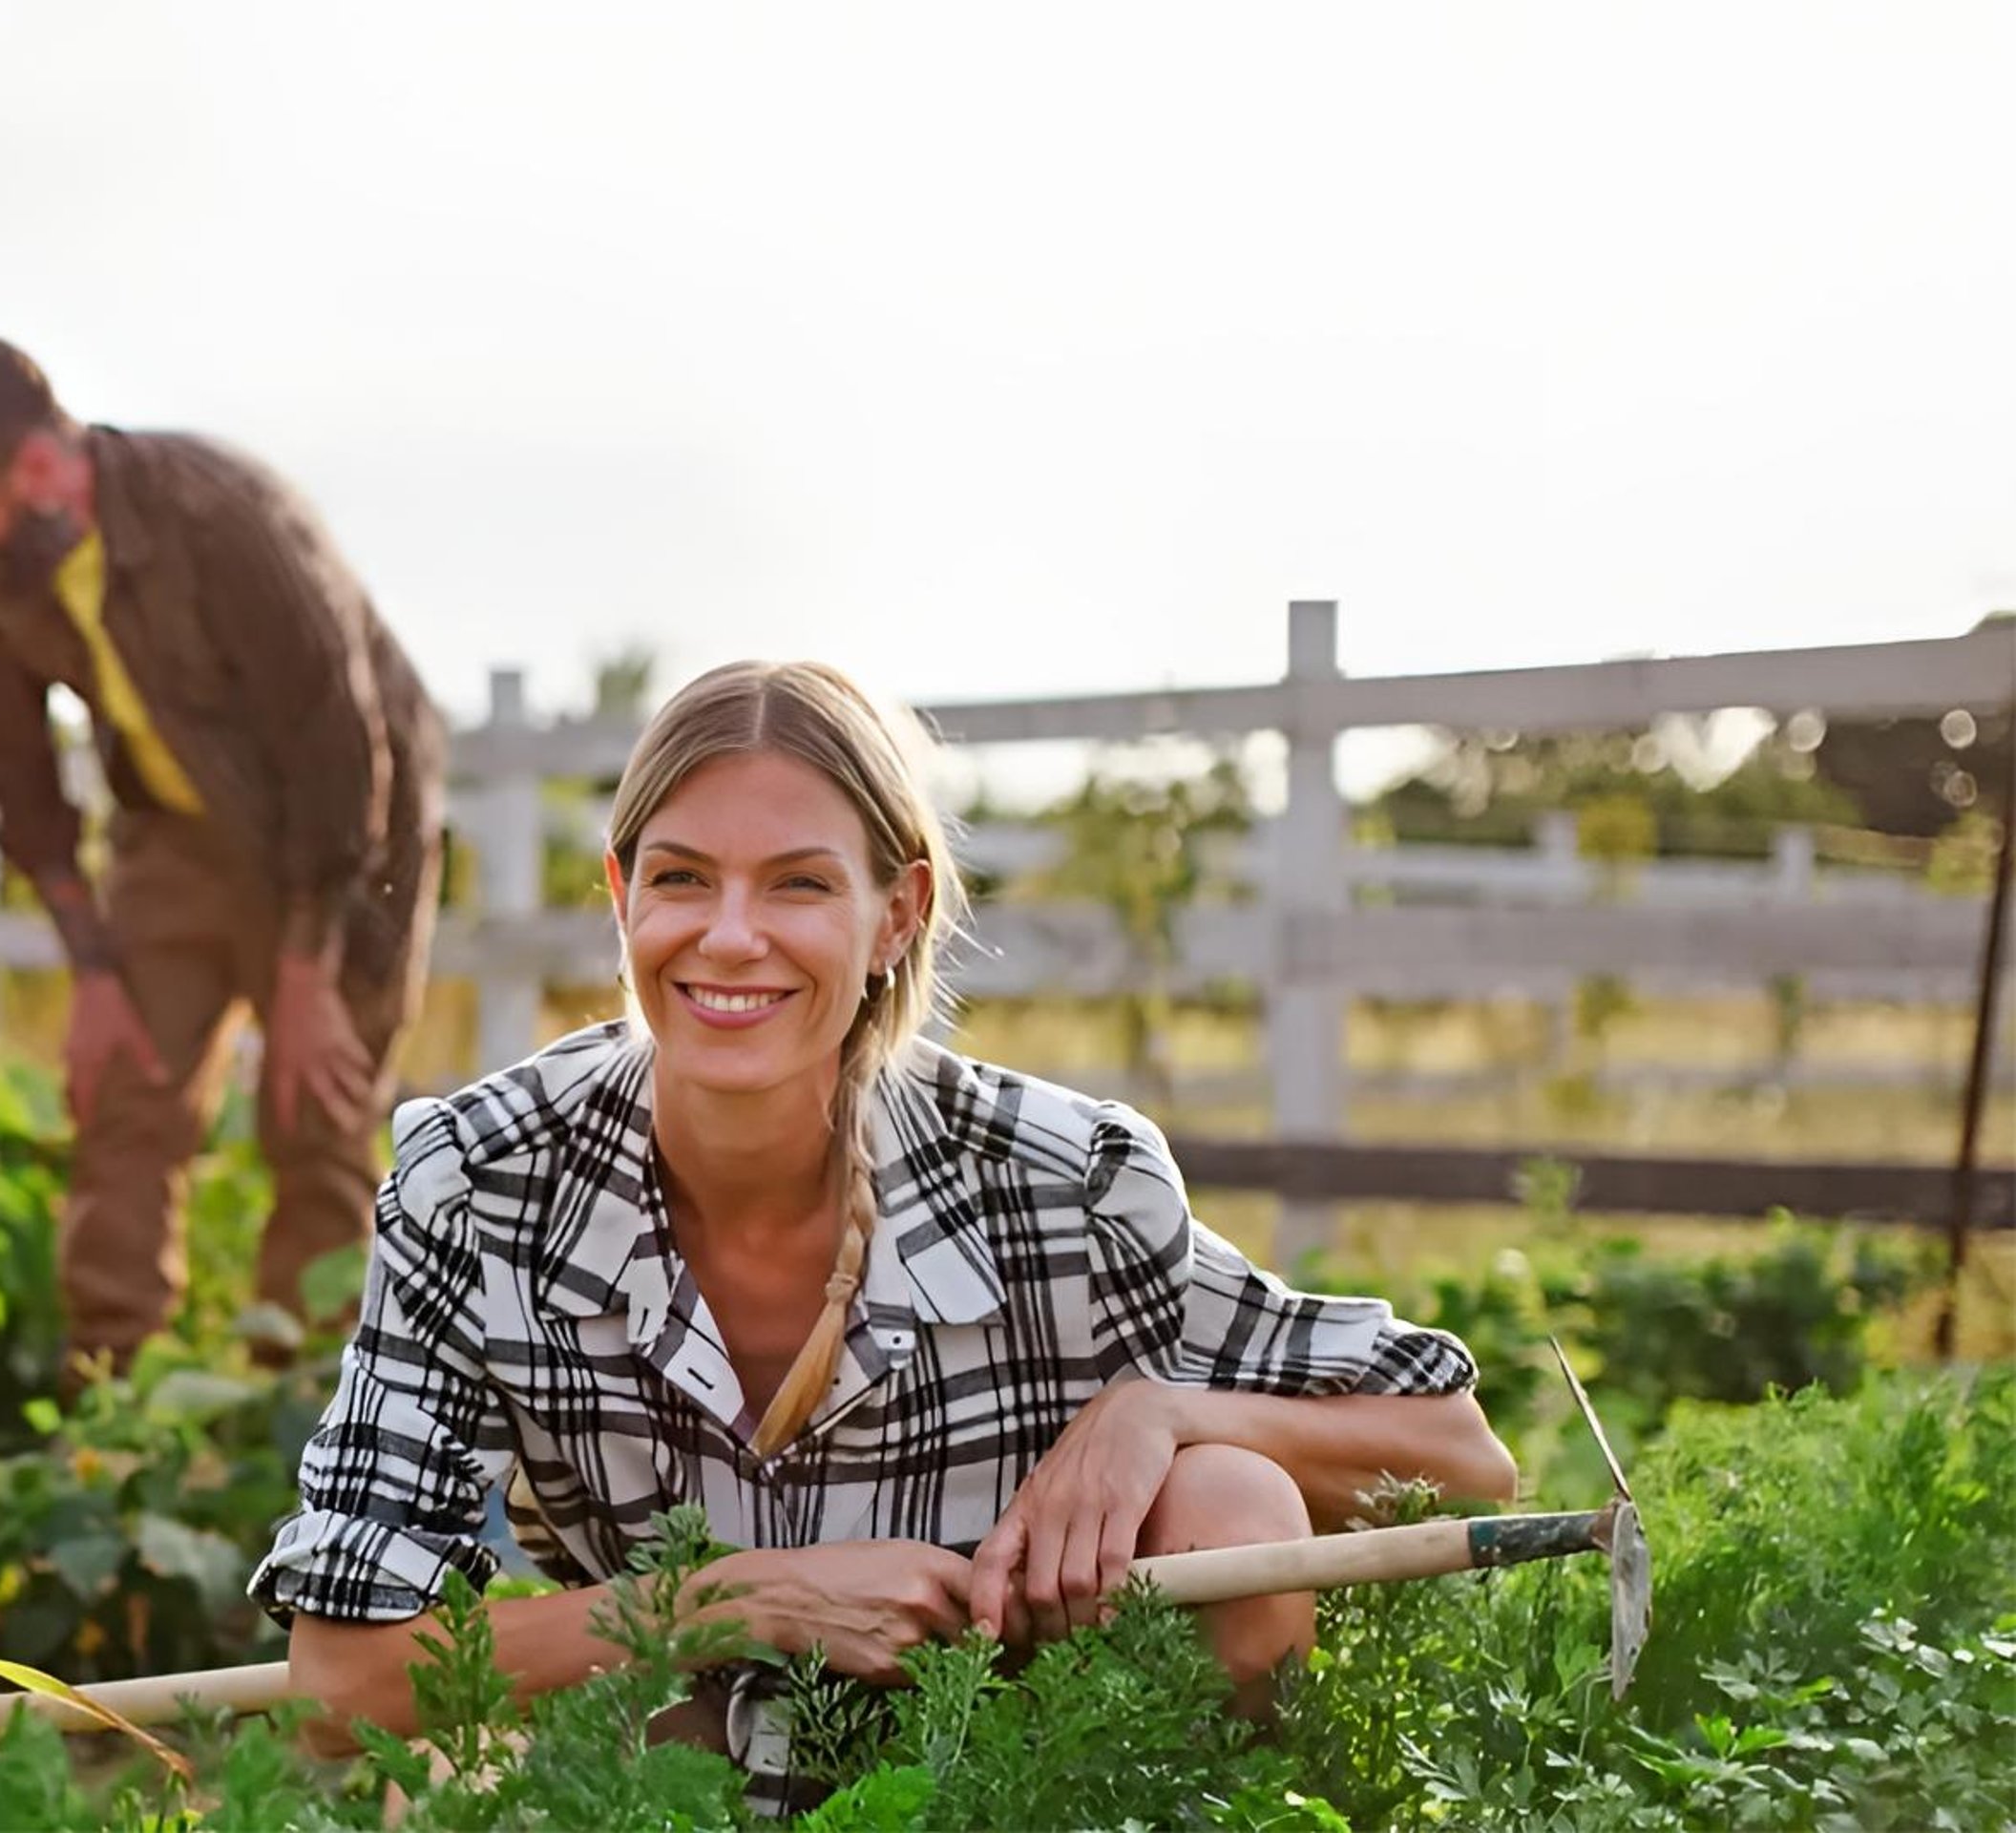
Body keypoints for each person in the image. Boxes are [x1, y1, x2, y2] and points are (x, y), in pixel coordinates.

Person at [248, 661, 1518, 1817]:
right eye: (682, 878)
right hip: (671, 1775)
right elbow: (338, 1685)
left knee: (1231, 1503)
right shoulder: (481, 1183)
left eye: (798, 883)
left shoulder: (1060, 1184)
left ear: (897, 913)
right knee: (472, 1782)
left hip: (1017, 1777)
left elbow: (1464, 1462)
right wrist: (741, 1600)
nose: (729, 935)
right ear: (622, 897)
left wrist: (1162, 1413)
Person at [0, 333, 450, 1371]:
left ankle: (307, 1396)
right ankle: (113, 1395)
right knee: (123, 1092)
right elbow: (18, 771)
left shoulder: (222, 517)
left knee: (315, 1112)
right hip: (174, 832)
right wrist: (93, 972)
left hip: (345, 836)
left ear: (38, 468)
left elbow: (337, 745)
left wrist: (307, 970)